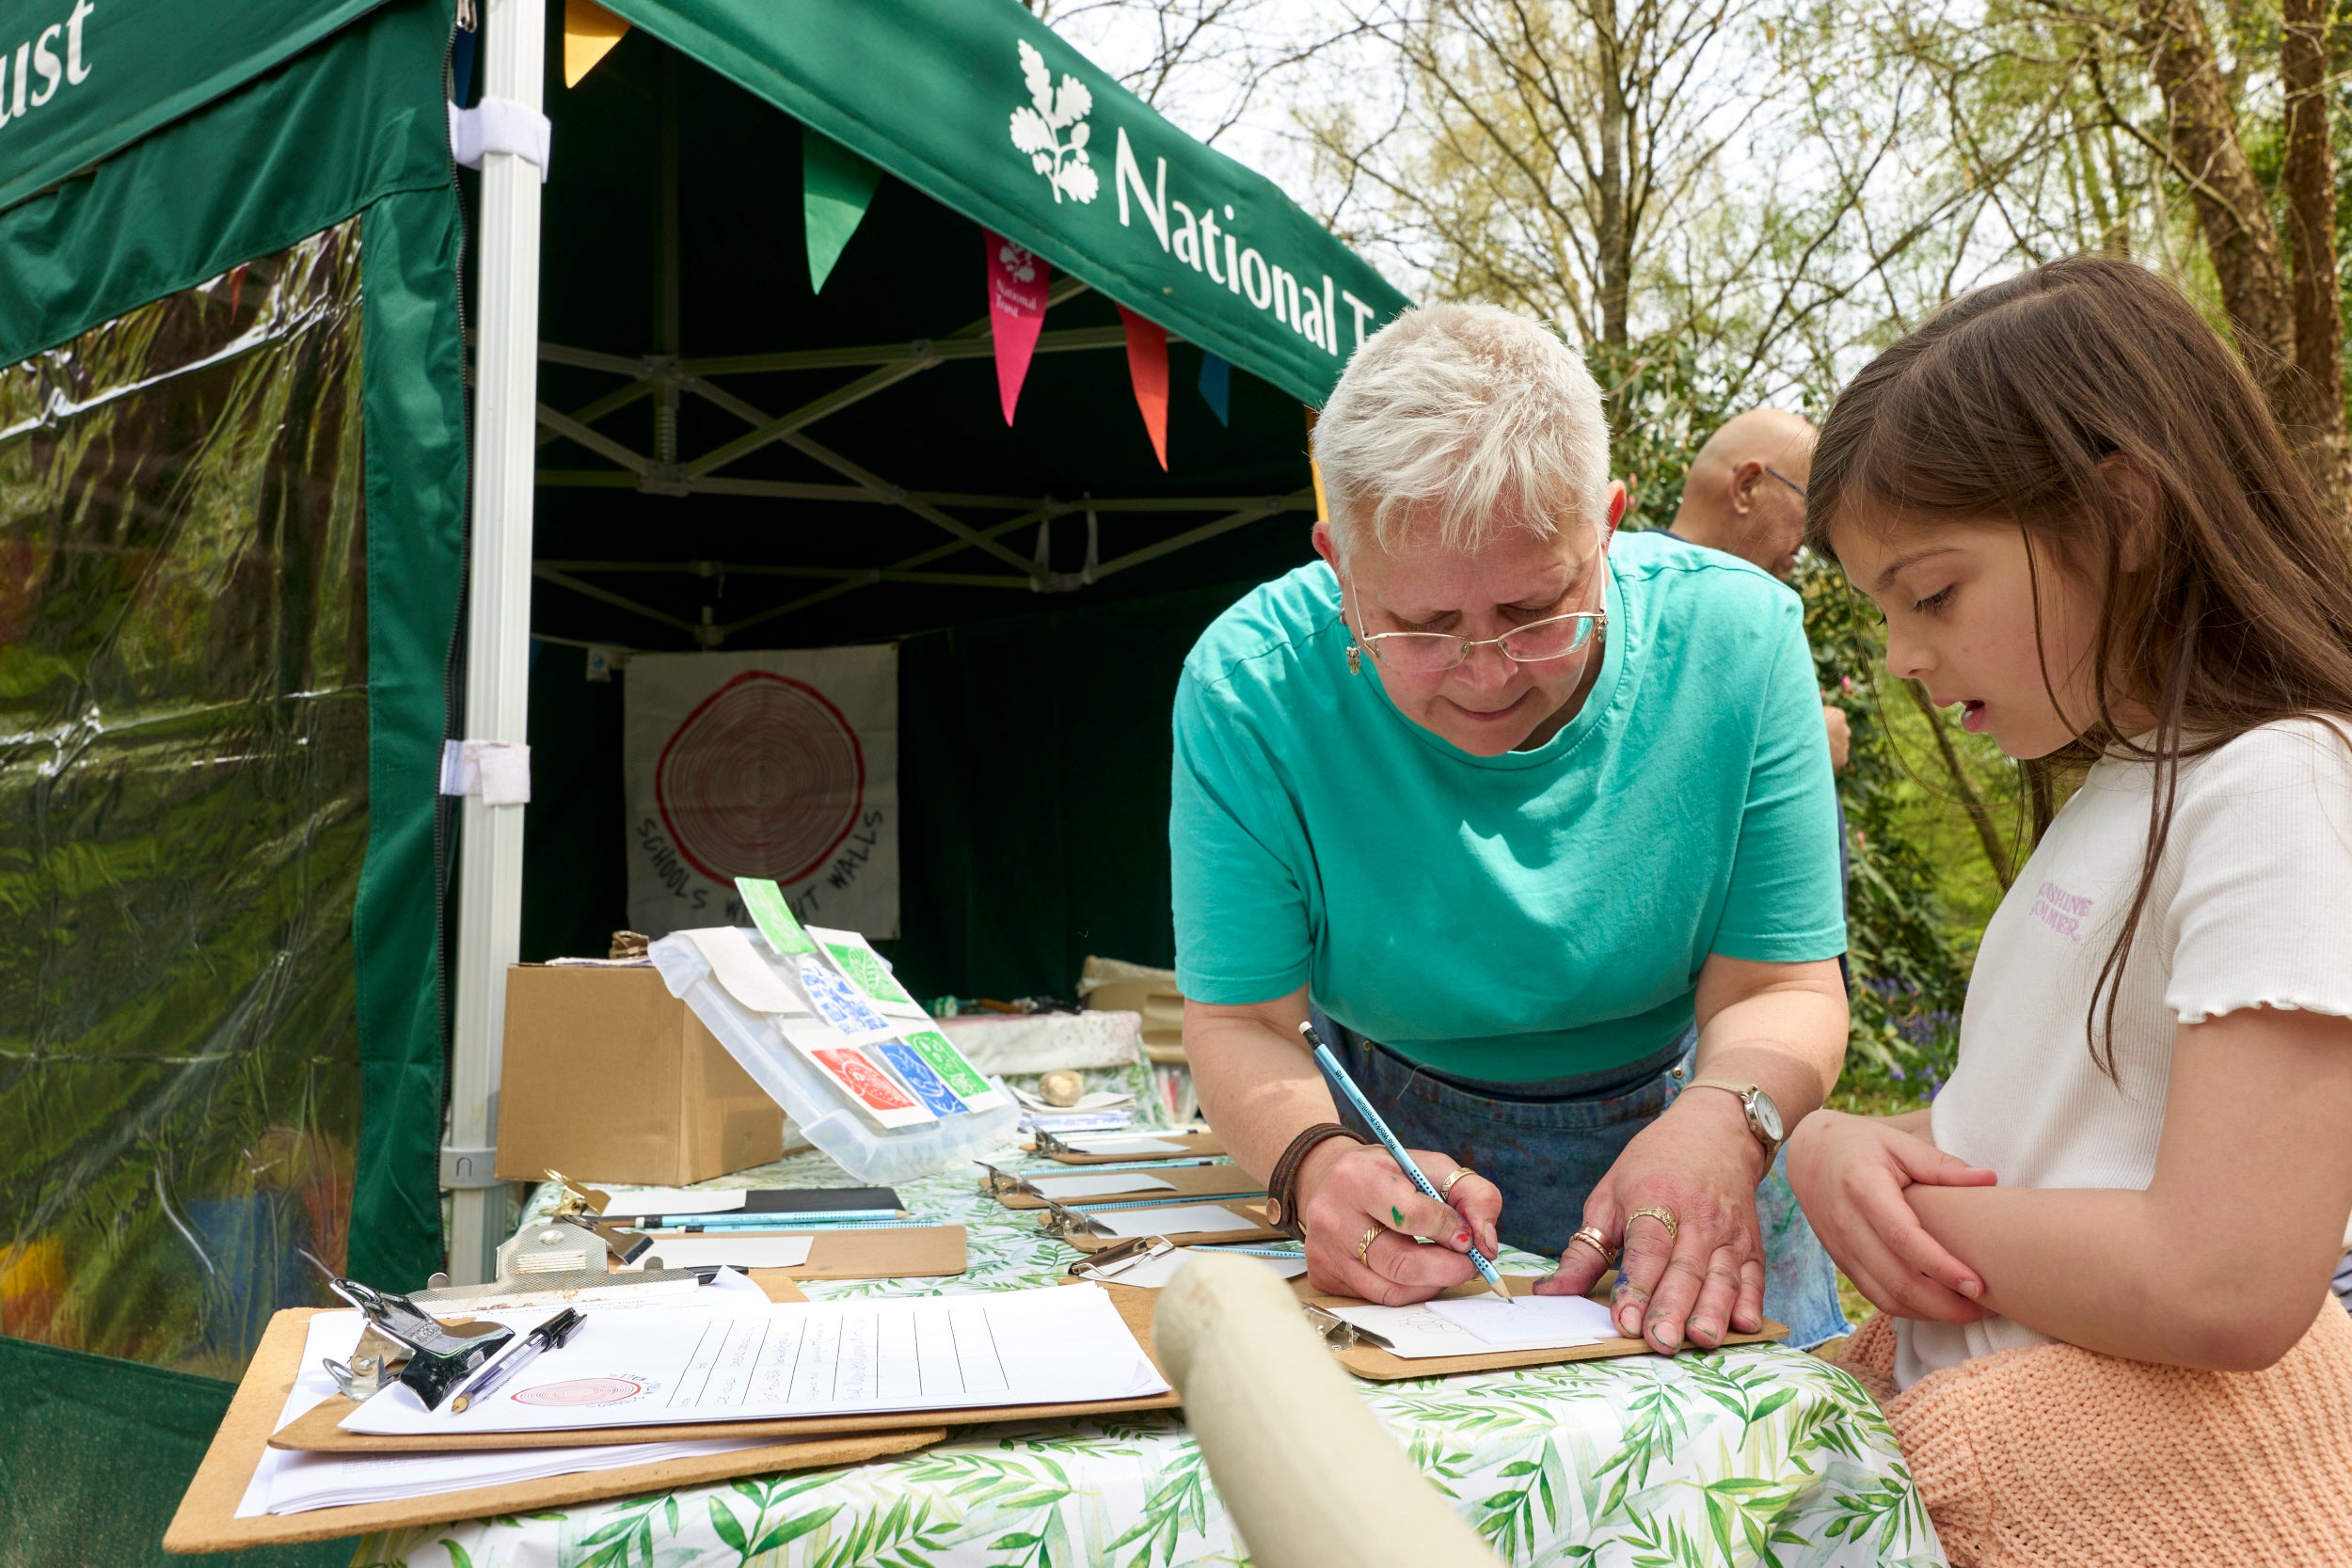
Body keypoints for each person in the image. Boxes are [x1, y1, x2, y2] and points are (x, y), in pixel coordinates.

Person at [1788, 255, 2352, 1563]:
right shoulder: (2125, 785)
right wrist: (1848, 1147)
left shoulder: (2281, 786)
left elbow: (2227, 1271)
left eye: (1932, 593)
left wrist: (1901, 1217)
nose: (1905, 660)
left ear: (2125, 511)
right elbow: (2061, 1130)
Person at [1171, 302, 1853, 1354]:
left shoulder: (1738, 638)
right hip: (1393, 1143)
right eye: (1424, 627)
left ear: (1609, 527)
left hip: (1711, 1121)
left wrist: (1724, 1120)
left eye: (1537, 613)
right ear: (1338, 566)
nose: (1485, 674)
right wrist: (1315, 1158)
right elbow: (1243, 1020)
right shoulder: (1249, 685)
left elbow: (1781, 989)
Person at [1667, 408, 1850, 770]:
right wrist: (1803, 749)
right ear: (1748, 487)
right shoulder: (1619, 603)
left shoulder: (1748, 611)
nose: (1813, 541)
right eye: (1810, 510)